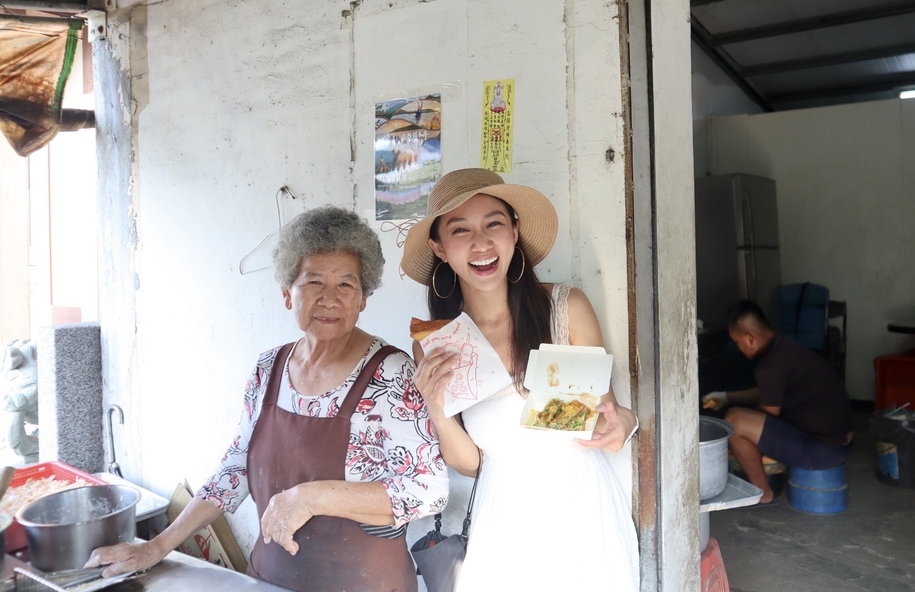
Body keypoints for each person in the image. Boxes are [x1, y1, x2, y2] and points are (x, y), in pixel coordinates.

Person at [88, 206, 448, 592]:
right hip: (269, 580)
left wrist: (310, 497)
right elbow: (235, 470)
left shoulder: (391, 373)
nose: (329, 299)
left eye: (346, 285)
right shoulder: (268, 369)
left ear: (363, 299)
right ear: (286, 294)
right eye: (313, 283)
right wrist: (156, 547)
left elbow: (428, 490)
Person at [401, 168, 640, 591]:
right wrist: (436, 410)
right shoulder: (438, 343)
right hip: (504, 521)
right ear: (439, 247)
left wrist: (622, 423)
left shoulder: (565, 309)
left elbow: (605, 420)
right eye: (461, 229)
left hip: (582, 511)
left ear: (514, 230)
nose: (481, 242)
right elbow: (471, 464)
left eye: (494, 223)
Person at [702, 300, 853, 504]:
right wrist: (726, 396)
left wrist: (739, 446)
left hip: (823, 450)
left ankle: (763, 494)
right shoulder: (785, 348)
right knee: (740, 420)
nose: (738, 347)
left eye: (737, 342)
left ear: (749, 338)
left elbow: (768, 414)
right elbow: (769, 393)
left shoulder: (771, 364)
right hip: (839, 443)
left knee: (734, 422)